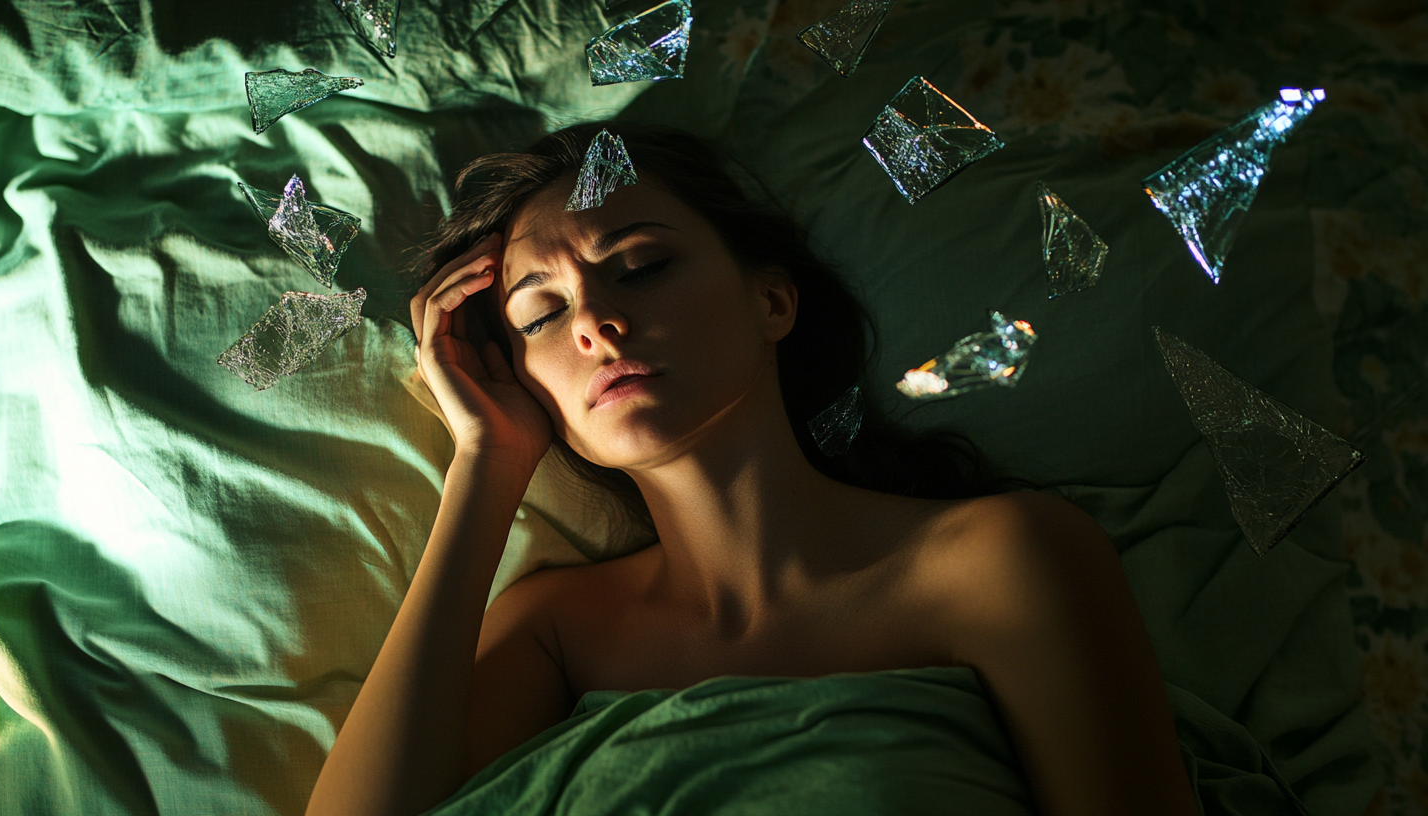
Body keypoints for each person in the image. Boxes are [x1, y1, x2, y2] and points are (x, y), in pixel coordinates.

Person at [303, 123, 1198, 816]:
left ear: (771, 300)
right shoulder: (555, 627)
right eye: (540, 317)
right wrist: (486, 462)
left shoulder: (999, 558)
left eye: (642, 267)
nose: (595, 325)